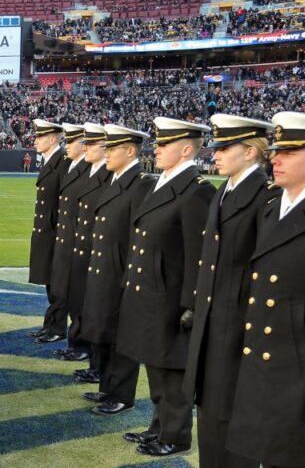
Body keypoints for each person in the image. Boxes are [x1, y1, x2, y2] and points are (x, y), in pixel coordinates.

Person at [117, 118, 216, 457]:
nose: (155, 148)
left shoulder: (197, 190)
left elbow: (198, 254)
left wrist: (190, 304)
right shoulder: (161, 183)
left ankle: (175, 435)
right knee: (156, 365)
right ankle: (158, 427)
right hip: (150, 292)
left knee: (173, 370)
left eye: (164, 144)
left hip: (171, 297)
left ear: (187, 149)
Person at [228, 111, 305, 468]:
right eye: (276, 150)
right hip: (267, 365)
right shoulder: (272, 211)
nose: (275, 158)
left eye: (290, 151)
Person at [183, 114, 276, 468]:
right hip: (213, 320)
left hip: (237, 326)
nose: (215, 153)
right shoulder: (225, 190)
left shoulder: (265, 196)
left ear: (251, 151)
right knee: (210, 412)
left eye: (225, 147)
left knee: (232, 417)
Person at [81, 124, 155, 417]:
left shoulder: (141, 183)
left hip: (122, 271)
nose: (106, 152)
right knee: (106, 329)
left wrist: (128, 274)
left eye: (112, 148)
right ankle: (108, 386)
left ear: (130, 150)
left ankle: (122, 394)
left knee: (121, 335)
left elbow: (138, 235)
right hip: (106, 269)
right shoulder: (118, 179)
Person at [69, 124, 112, 380]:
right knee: (85, 308)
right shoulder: (92, 172)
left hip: (101, 258)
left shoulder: (110, 177)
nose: (85, 147)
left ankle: (100, 371)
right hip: (85, 251)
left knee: (98, 316)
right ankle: (95, 366)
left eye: (91, 144)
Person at [47, 123, 90, 360]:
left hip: (78, 244)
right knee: (70, 296)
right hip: (68, 242)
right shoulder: (74, 168)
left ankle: (81, 347)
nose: (67, 145)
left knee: (79, 300)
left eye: (71, 141)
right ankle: (76, 344)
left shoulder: (87, 170)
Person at [28, 119, 68, 344]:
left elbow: (64, 201)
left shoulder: (61, 162)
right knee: (49, 281)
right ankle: (50, 324)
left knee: (57, 283)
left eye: (39, 137)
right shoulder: (51, 160)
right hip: (47, 231)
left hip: (55, 231)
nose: (35, 141)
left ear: (53, 139)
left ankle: (58, 327)